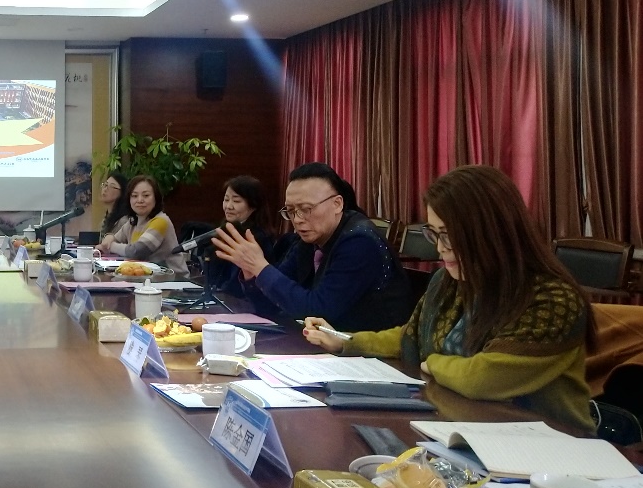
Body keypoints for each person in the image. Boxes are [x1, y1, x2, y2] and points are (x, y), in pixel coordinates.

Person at [304, 165, 595, 433]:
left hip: (550, 445)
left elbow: (483, 378)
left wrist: (433, 363)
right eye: (435, 234)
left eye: (450, 235)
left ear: (493, 232)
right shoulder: (449, 282)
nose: (441, 248)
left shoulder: (553, 300)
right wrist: (344, 341)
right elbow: (410, 336)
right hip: (466, 428)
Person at [212, 162, 412, 332]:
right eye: (291, 211)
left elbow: (318, 310)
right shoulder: (308, 241)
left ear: (337, 204)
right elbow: (271, 305)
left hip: (372, 355)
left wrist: (261, 267)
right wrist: (251, 273)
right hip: (324, 347)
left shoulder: (359, 242)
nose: (298, 219)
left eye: (306, 209)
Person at [99, 174, 188, 274]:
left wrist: (110, 246)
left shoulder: (161, 221)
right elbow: (114, 238)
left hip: (173, 279)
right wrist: (110, 237)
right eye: (134, 196)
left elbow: (136, 252)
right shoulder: (133, 221)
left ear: (156, 198)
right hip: (146, 278)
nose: (140, 200)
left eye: (146, 196)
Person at [202, 175, 275, 295]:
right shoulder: (226, 229)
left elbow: (236, 284)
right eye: (226, 200)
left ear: (253, 205)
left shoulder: (257, 238)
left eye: (236, 201)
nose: (228, 206)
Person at [97, 171, 134, 238]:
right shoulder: (106, 218)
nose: (105, 189)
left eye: (112, 186)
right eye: (105, 185)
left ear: (122, 192)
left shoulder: (124, 221)